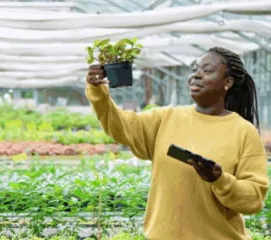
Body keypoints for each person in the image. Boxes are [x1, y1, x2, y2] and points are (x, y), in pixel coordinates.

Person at [85, 47, 269, 240]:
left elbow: (254, 199)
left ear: (227, 82)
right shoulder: (166, 118)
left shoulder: (243, 132)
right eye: (195, 70)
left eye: (207, 71)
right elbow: (119, 126)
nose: (196, 76)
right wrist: (98, 91)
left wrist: (219, 180)